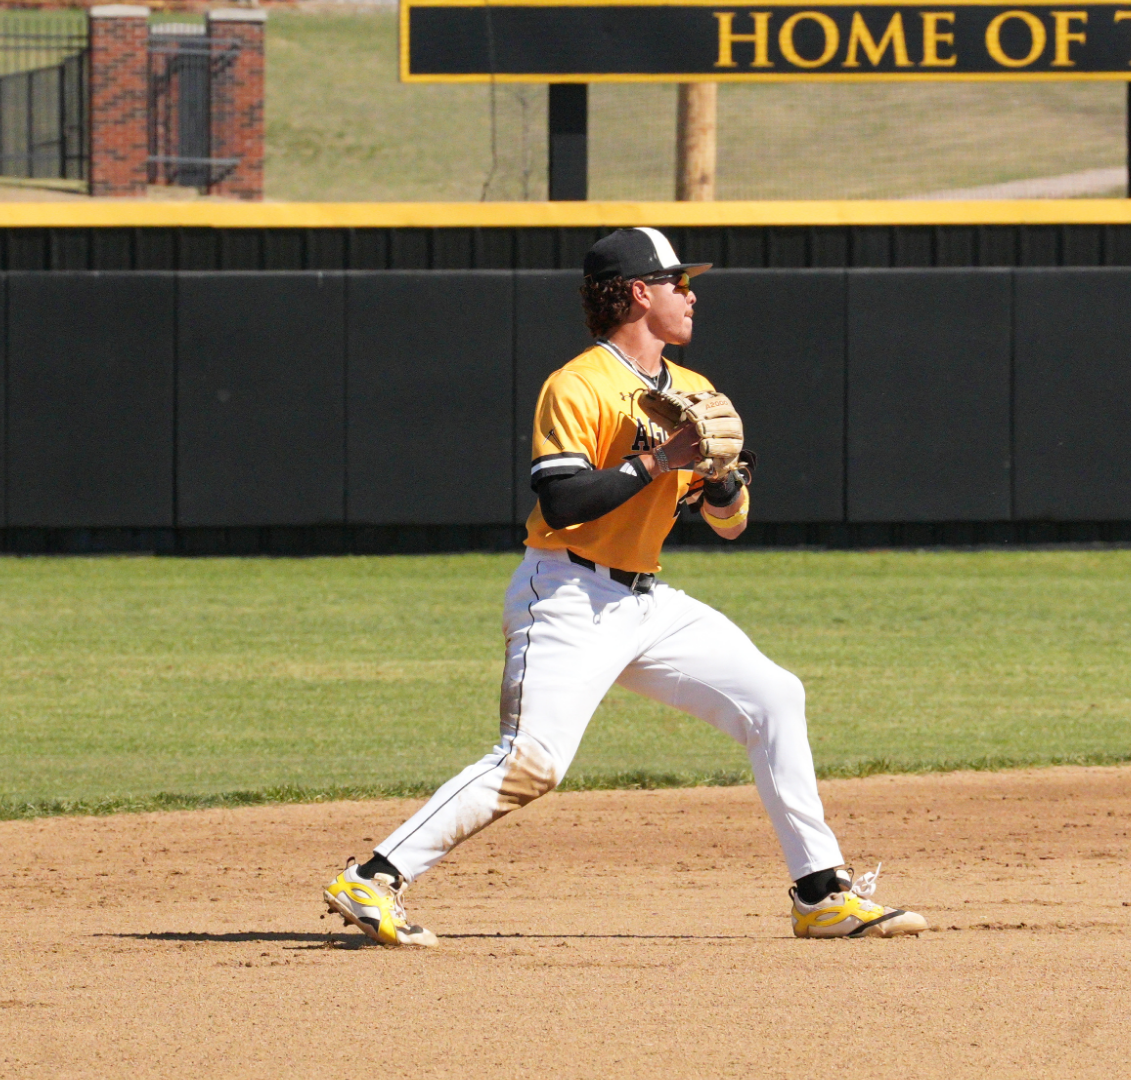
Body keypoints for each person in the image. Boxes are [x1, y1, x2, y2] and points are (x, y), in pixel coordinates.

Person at [323, 227, 926, 946]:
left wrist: (724, 479)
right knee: (532, 763)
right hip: (567, 593)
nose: (692, 295)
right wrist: (661, 459)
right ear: (640, 293)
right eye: (679, 282)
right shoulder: (580, 385)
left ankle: (821, 893)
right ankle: (375, 875)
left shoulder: (697, 391)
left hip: (645, 602)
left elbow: (729, 524)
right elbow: (562, 504)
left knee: (774, 696)